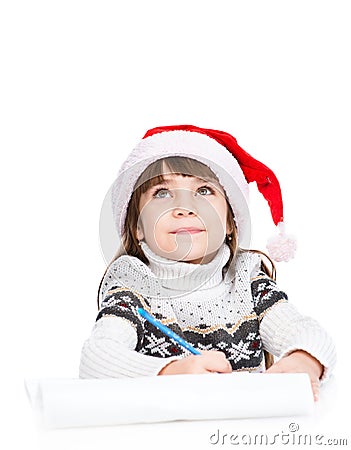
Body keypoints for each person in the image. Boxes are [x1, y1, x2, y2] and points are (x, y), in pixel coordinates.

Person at [79, 125, 336, 402]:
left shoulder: (246, 279)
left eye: (203, 191)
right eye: (162, 193)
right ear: (137, 225)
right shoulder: (133, 284)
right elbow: (95, 360)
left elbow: (307, 333)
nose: (185, 208)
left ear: (229, 220)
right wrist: (170, 372)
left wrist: (303, 362)